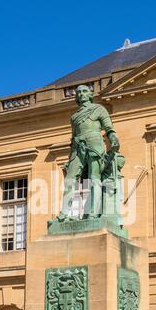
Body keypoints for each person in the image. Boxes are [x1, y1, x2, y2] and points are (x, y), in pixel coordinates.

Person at [57, 84, 120, 221]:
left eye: (85, 91)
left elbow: (109, 128)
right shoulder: (74, 117)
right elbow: (72, 138)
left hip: (94, 143)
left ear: (90, 95)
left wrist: (113, 139)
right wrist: (69, 158)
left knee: (94, 178)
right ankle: (65, 213)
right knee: (69, 179)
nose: (81, 94)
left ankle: (93, 212)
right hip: (77, 146)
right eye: (79, 92)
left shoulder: (99, 109)